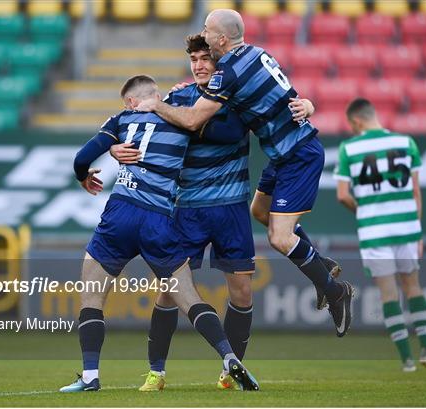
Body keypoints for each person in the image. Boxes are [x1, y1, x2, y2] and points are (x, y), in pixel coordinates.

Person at [111, 35, 317, 391]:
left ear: (219, 60)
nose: (199, 65)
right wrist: (115, 147)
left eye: (206, 58)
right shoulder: (177, 97)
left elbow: (277, 108)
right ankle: (156, 372)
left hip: (231, 209)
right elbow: (135, 130)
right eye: (194, 59)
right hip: (186, 209)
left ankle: (230, 371)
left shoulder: (237, 100)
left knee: (241, 294)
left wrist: (308, 105)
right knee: (169, 293)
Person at [136, 9, 353, 337]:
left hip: (298, 154)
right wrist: (307, 104)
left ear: (222, 38)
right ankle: (320, 267)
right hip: (282, 154)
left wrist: (157, 104)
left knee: (280, 237)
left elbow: (195, 120)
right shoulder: (258, 53)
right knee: (260, 211)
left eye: (208, 31)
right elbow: (284, 98)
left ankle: (336, 291)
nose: (205, 36)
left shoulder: (229, 71)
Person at [59, 75, 259, 393]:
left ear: (130, 101)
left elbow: (82, 158)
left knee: (92, 298)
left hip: (120, 215)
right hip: (159, 221)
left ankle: (90, 376)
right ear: (156, 95)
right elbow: (227, 133)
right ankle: (228, 357)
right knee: (189, 298)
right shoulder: (181, 121)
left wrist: (89, 171)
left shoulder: (121, 119)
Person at [335, 98, 426, 372]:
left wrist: (363, 211)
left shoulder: (350, 147)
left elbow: (342, 195)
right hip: (407, 227)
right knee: (413, 287)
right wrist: (417, 230)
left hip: (374, 231)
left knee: (388, 294)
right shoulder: (406, 142)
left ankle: (407, 361)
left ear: (356, 122)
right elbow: (416, 192)